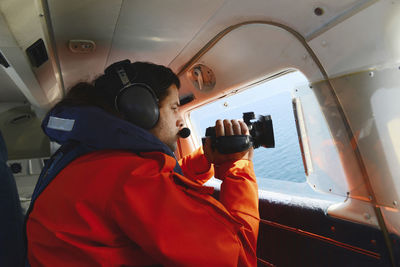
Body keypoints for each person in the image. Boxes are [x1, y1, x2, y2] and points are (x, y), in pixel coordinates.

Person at [25, 60, 259, 266]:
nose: (180, 120)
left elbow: (164, 182)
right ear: (140, 109)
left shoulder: (87, 156)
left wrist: (205, 159)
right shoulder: (131, 177)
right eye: (175, 108)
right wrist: (237, 167)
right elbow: (236, 259)